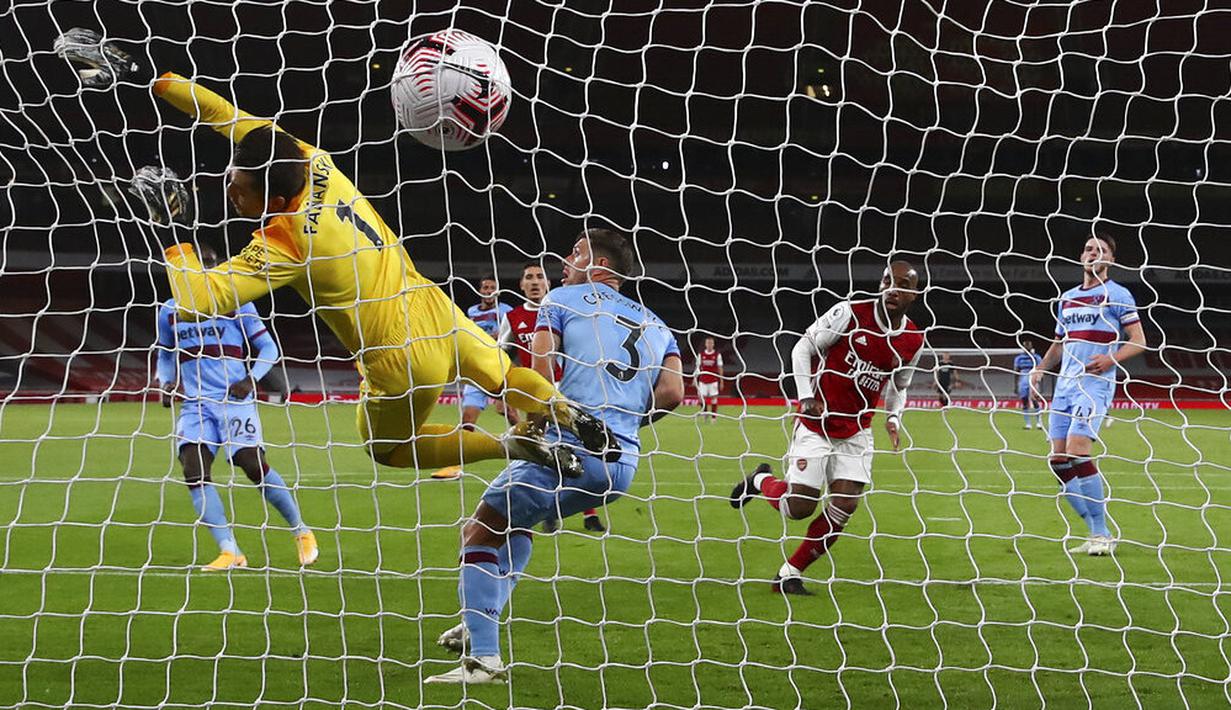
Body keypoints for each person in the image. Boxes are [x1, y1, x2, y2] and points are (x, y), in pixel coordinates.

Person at [55, 29, 615, 477]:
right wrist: (144, 75)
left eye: (239, 188)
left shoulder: (288, 241)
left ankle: (508, 447)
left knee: (388, 450)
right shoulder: (311, 157)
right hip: (433, 308)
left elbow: (197, 299)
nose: (229, 189)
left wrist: (171, 230)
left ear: (275, 200)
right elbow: (221, 113)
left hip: (398, 357)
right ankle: (566, 411)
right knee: (505, 374)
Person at [426, 229, 684, 684]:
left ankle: (483, 659)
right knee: (515, 523)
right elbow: (673, 393)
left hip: (567, 449)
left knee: (479, 531)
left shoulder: (561, 299)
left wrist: (536, 429)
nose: (565, 260)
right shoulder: (658, 325)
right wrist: (622, 424)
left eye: (576, 252)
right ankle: (478, 619)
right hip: (620, 464)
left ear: (600, 265)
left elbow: (541, 372)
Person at [729, 262, 925, 596]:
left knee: (844, 506)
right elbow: (802, 348)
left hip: (857, 431)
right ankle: (761, 480)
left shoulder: (913, 340)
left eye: (902, 285)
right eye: (887, 281)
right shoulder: (849, 313)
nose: (892, 289)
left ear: (914, 294)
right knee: (798, 508)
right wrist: (806, 397)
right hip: (816, 424)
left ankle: (789, 573)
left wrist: (893, 418)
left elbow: (900, 385)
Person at [155, 245, 316, 571]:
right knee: (193, 469)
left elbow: (268, 347)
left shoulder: (236, 302)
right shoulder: (170, 311)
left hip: (233, 399)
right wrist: (166, 382)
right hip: (196, 404)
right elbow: (165, 354)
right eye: (202, 265)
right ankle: (230, 551)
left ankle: (301, 531)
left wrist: (251, 379)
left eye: (212, 264)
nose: (208, 271)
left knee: (252, 464)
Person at [1030, 234, 1146, 556]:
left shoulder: (1117, 294)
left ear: (1110, 260)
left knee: (1078, 449)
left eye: (1101, 250)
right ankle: (1095, 531)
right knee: (1057, 461)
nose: (1093, 254)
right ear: (1082, 256)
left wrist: (1111, 359)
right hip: (1064, 386)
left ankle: (1102, 533)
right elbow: (1059, 344)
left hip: (1094, 384)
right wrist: (1040, 369)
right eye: (1089, 249)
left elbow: (1139, 340)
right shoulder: (1067, 298)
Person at [498, 262, 605, 532]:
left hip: (568, 393)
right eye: (529, 277)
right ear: (521, 284)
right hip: (535, 395)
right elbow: (499, 357)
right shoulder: (513, 317)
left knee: (578, 448)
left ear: (548, 283)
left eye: (540, 277)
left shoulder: (563, 310)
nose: (535, 282)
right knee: (536, 449)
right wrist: (501, 395)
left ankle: (589, 514)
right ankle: (539, 508)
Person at [429, 276, 515, 481]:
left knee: (509, 414)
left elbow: (509, 339)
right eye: (485, 287)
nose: (489, 290)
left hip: (497, 369)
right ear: (480, 290)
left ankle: (534, 451)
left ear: (498, 291)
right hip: (475, 371)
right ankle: (455, 465)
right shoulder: (471, 312)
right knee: (467, 418)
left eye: (492, 287)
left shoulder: (507, 311)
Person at [1014, 339, 1044, 429]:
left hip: (1033, 378)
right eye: (1025, 346)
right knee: (1024, 401)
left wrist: (1039, 382)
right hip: (1023, 380)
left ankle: (1039, 423)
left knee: (1035, 400)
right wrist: (1016, 385)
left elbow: (1040, 370)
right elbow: (1016, 372)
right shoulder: (1019, 358)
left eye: (1028, 345)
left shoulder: (1036, 357)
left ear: (1031, 347)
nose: (1027, 347)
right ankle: (1028, 424)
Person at [694, 337, 724, 422]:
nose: (709, 345)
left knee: (714, 398)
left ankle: (713, 418)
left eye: (711, 343)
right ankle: (705, 413)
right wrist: (694, 378)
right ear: (705, 344)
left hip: (713, 380)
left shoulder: (717, 355)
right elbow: (697, 367)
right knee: (701, 398)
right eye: (708, 343)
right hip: (703, 380)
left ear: (713, 344)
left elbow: (720, 368)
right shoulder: (701, 354)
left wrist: (721, 381)